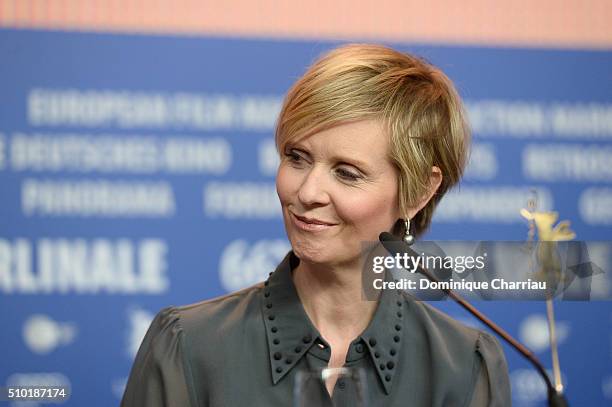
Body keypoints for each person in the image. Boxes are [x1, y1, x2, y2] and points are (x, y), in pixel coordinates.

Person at [121, 44, 511, 406]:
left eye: (347, 173)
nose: (307, 192)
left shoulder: (464, 364)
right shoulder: (188, 344)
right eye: (297, 157)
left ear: (419, 192)